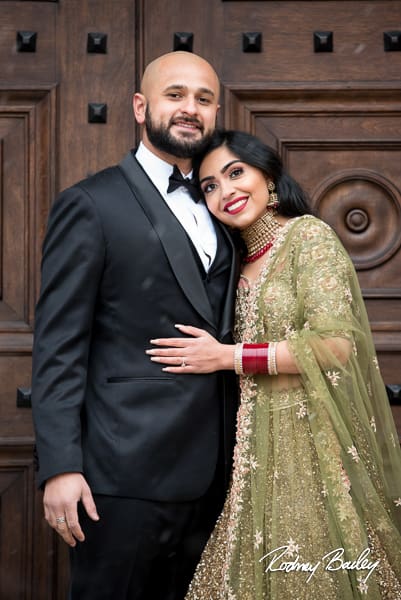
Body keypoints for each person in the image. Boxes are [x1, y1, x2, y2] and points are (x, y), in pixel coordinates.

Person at [146, 129, 401, 599]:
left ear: (268, 177)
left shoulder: (307, 237)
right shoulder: (234, 262)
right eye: (210, 186)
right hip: (251, 448)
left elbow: (333, 345)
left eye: (235, 173)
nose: (225, 191)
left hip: (312, 445)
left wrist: (226, 357)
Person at [31, 53, 239, 600]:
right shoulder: (90, 204)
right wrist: (59, 467)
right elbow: (58, 345)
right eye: (175, 95)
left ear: (216, 113)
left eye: (203, 99)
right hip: (120, 476)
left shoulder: (228, 204)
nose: (190, 108)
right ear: (141, 107)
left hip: (219, 475)